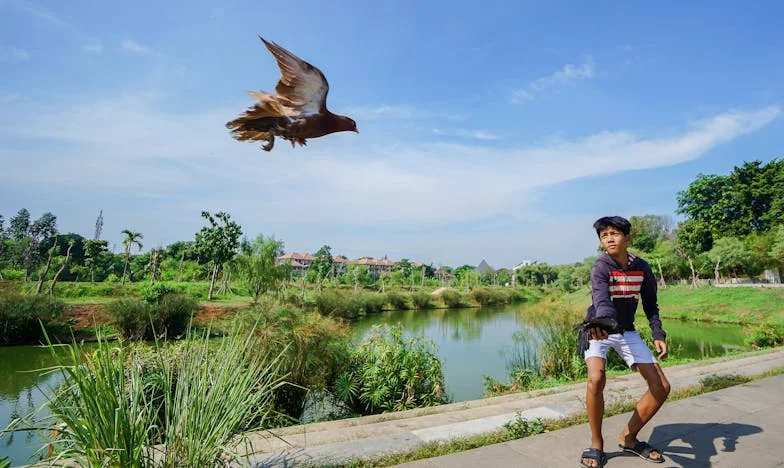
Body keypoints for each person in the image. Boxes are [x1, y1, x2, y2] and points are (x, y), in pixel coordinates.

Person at [580, 216, 671, 468]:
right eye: (604, 235)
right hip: (599, 328)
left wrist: (657, 334)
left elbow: (651, 305)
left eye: (615, 233)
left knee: (661, 387)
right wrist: (604, 323)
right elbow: (602, 301)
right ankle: (596, 443)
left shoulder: (642, 267)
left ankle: (629, 438)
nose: (609, 238)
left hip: (627, 330)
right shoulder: (600, 267)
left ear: (628, 238)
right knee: (596, 379)